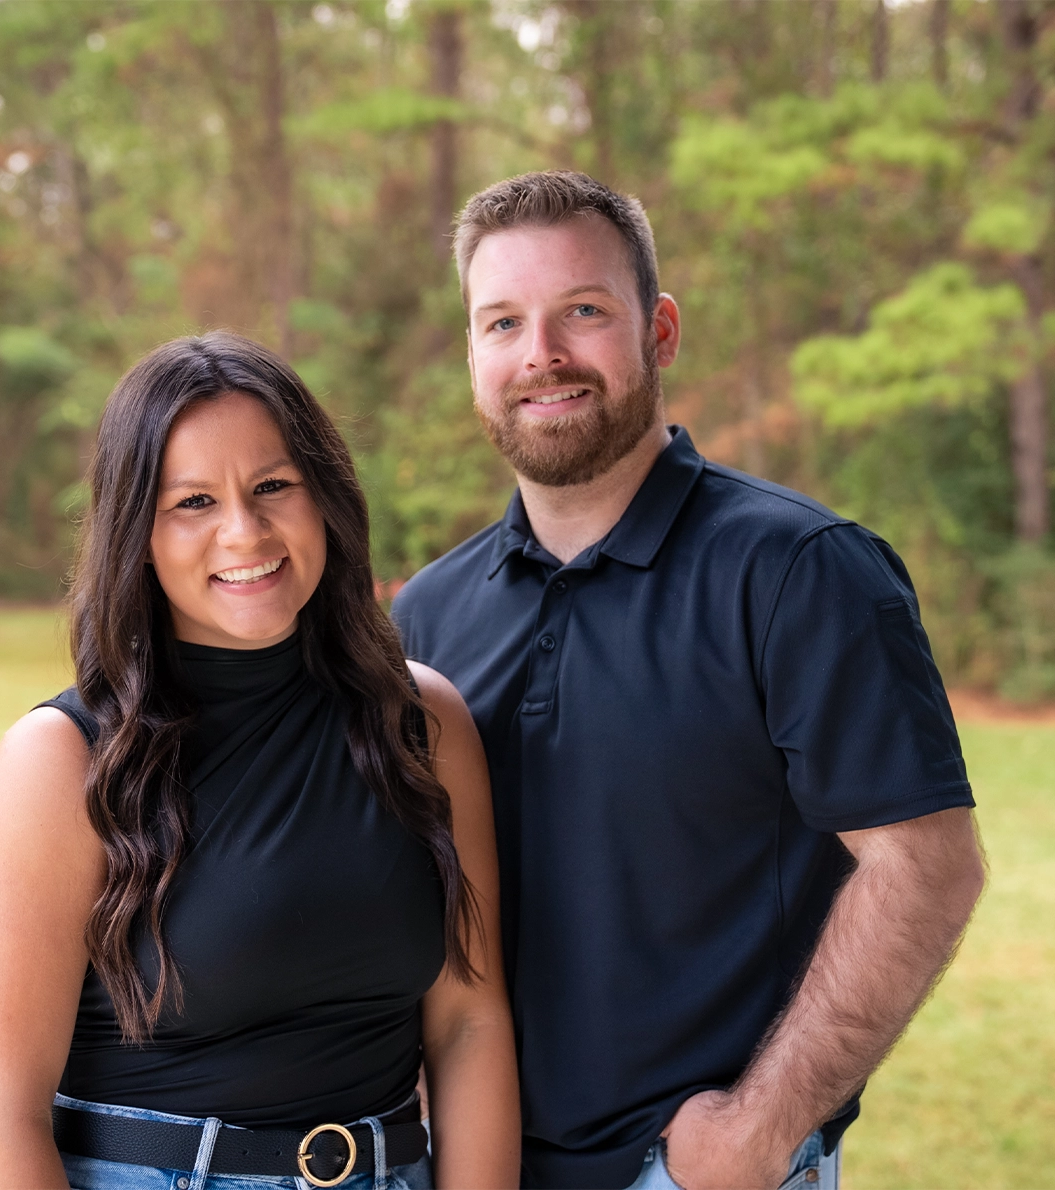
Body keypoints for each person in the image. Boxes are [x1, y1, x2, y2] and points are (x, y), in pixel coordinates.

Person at [392, 171, 985, 1190]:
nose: (541, 355)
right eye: (502, 322)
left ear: (659, 331)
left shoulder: (801, 571)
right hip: (470, 1165)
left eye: (583, 311)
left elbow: (926, 866)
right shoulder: (426, 617)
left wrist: (761, 1124)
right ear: (472, 353)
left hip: (688, 1171)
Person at [0, 332, 519, 1190]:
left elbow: (468, 1025)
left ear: (323, 495)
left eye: (272, 487)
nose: (243, 532)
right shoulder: (63, 762)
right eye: (192, 503)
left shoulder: (422, 724)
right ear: (136, 531)